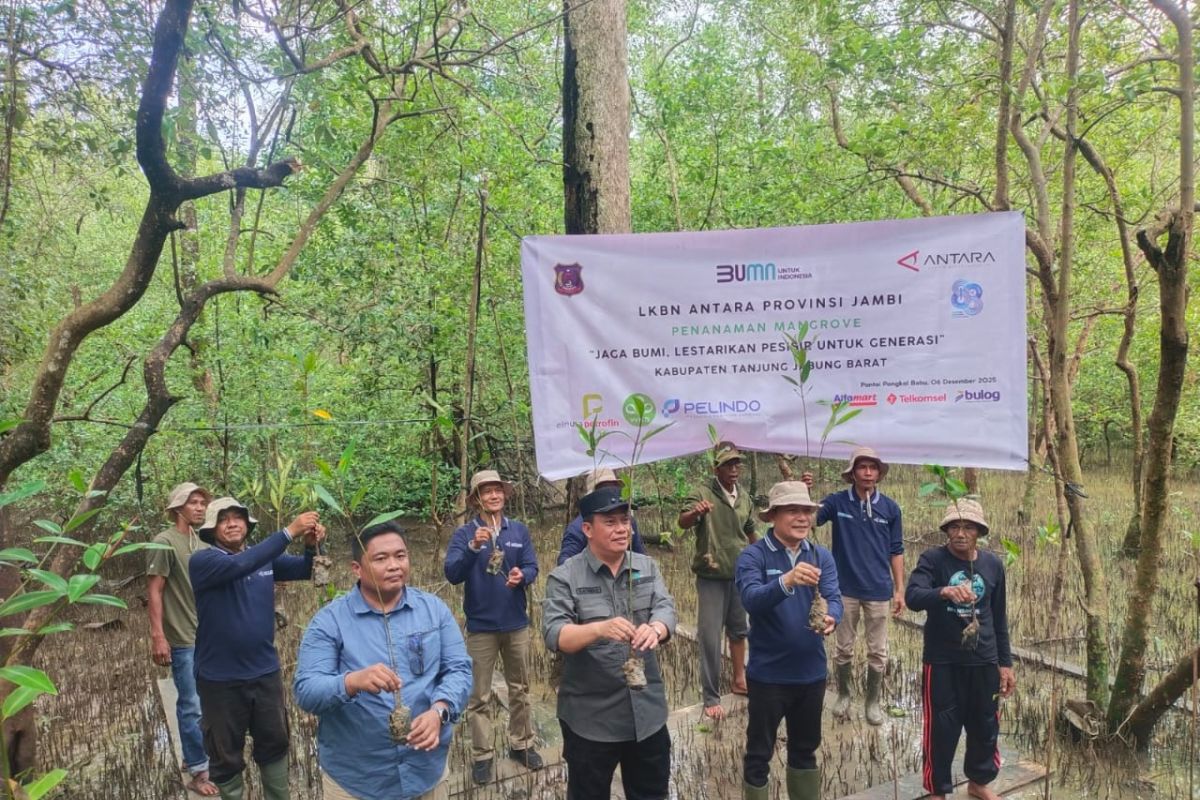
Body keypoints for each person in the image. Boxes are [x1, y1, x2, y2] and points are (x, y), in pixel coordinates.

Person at [295, 521, 472, 800]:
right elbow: (306, 690)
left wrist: (440, 709)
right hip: (357, 781)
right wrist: (352, 681)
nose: (394, 565)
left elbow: (459, 669)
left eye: (400, 556)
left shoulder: (433, 610)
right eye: (381, 558)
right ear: (357, 568)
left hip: (426, 772)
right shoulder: (330, 621)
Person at [542, 486, 677, 800]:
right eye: (611, 522)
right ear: (587, 529)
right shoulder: (565, 577)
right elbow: (555, 634)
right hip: (591, 721)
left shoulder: (647, 566)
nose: (622, 529)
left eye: (625, 521)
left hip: (647, 716)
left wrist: (657, 628)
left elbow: (666, 607)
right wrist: (599, 629)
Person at [189, 497, 325, 800]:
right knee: (225, 755)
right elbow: (240, 565)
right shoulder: (203, 561)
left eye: (238, 517)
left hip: (265, 673)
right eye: (224, 519)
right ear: (212, 530)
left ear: (247, 526)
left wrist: (309, 544)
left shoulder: (262, 558)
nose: (233, 523)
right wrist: (289, 532)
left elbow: (304, 570)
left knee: (274, 744)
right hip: (219, 679)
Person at [735, 481, 842, 800]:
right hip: (768, 676)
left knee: (805, 751)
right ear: (773, 517)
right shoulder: (752, 556)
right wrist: (787, 580)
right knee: (758, 754)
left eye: (807, 511)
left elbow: (834, 597)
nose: (802, 518)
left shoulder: (821, 557)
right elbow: (751, 600)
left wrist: (832, 617)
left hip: (811, 674)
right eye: (792, 511)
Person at [905, 499, 1015, 800]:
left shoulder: (992, 565)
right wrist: (944, 591)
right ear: (946, 530)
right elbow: (913, 596)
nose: (961, 533)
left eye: (968, 527)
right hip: (942, 661)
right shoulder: (932, 560)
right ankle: (938, 790)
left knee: (985, 724)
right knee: (942, 729)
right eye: (955, 526)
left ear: (979, 531)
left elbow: (999, 616)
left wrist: (1005, 663)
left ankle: (979, 782)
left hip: (984, 659)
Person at [444, 470, 543, 785]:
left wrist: (522, 577)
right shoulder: (465, 534)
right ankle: (483, 756)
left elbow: (532, 566)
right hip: (481, 627)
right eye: (486, 492)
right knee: (479, 696)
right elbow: (452, 574)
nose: (493, 496)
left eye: (497, 490)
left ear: (504, 495)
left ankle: (521, 745)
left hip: (516, 623)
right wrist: (473, 547)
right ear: (476, 499)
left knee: (520, 689)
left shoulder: (519, 530)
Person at [802, 446, 904, 725]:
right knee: (843, 647)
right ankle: (844, 694)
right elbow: (810, 521)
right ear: (853, 473)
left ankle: (872, 701)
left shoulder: (891, 508)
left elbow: (896, 550)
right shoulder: (837, 502)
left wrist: (899, 589)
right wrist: (804, 492)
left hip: (879, 590)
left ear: (879, 473)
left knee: (877, 650)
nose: (868, 472)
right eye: (862, 467)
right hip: (844, 589)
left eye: (873, 467)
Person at [146, 482, 218, 797]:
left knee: (209, 701)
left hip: (208, 637)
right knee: (191, 704)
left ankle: (202, 757)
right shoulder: (163, 542)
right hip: (182, 638)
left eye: (203, 503)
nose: (200, 508)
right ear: (178, 508)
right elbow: (154, 591)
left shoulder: (203, 545)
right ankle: (198, 771)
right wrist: (158, 635)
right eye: (194, 503)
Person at [677, 441, 755, 720]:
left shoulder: (744, 497)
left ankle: (739, 679)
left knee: (739, 630)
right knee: (710, 637)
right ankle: (710, 695)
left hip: (739, 575)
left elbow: (750, 532)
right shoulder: (702, 493)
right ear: (716, 468)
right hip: (711, 576)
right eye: (728, 464)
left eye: (737, 464)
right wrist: (696, 512)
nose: (734, 469)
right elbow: (682, 522)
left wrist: (762, 560)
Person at [557, 467, 646, 565]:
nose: (610, 493)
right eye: (604, 489)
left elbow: (640, 557)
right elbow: (564, 563)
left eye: (614, 487)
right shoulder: (577, 528)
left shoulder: (629, 522)